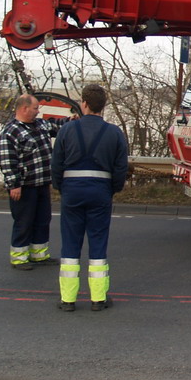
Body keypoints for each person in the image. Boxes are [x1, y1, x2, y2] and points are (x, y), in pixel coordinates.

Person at [51, 84, 129, 312]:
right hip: (100, 191)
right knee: (98, 243)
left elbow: (56, 164)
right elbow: (120, 167)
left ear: (83, 103)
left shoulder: (67, 130)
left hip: (72, 190)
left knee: (70, 244)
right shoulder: (114, 133)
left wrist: (61, 187)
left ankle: (68, 300)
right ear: (103, 106)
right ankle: (98, 298)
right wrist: (112, 189)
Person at [0, 94, 68, 270]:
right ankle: (19, 258)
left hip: (42, 182)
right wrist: (14, 185)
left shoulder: (40, 125)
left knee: (43, 219)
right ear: (24, 108)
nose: (38, 111)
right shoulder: (10, 132)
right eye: (36, 108)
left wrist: (76, 119)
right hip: (25, 186)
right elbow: (7, 161)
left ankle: (39, 255)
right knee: (24, 221)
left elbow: (59, 126)